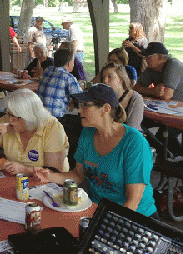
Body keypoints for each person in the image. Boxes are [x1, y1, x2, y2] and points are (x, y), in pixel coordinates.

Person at [34, 84, 157, 218]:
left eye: (85, 105)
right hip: (97, 211)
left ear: (105, 108)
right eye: (80, 105)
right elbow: (78, 174)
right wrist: (49, 176)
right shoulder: (87, 133)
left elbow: (132, 201)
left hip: (135, 217)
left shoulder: (134, 143)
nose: (79, 110)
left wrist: (105, 226)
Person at [0, 88, 69, 175]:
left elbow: (54, 171)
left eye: (15, 116)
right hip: (16, 179)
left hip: (49, 185)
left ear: (30, 117)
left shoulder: (52, 127)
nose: (10, 120)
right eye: (9, 113)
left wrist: (25, 170)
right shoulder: (6, 121)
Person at [37, 48, 82, 119]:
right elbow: (80, 98)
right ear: (69, 63)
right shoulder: (68, 77)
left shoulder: (47, 71)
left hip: (40, 116)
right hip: (55, 119)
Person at [100, 63, 144, 131]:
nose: (105, 81)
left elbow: (132, 131)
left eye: (109, 77)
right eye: (103, 77)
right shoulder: (102, 97)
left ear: (121, 79)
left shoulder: (136, 99)